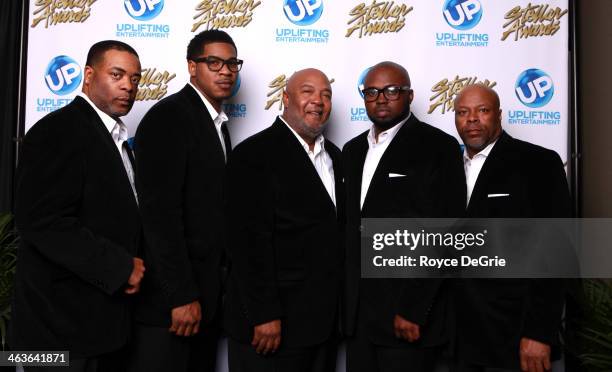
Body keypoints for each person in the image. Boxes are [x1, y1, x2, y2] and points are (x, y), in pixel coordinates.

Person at [11, 40, 144, 372]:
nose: (129, 85)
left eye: (135, 78)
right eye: (117, 74)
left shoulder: (113, 137)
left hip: (96, 326)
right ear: (88, 75)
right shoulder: (58, 130)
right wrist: (120, 265)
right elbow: (42, 221)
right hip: (54, 333)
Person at [342, 61, 465, 372]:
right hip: (357, 318)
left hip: (407, 317)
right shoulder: (352, 150)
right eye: (372, 92)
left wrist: (414, 309)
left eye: (391, 90)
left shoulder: (439, 147)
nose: (381, 98)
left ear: (409, 95)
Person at [128, 30, 240, 372]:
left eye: (232, 63)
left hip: (204, 300)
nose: (225, 71)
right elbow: (159, 216)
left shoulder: (215, 122)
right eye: (214, 63)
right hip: (172, 306)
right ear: (192, 67)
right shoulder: (171, 117)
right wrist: (180, 295)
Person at [223, 68, 343, 372]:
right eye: (308, 92)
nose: (318, 101)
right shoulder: (254, 154)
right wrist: (263, 315)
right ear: (286, 98)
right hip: (272, 327)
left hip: (323, 326)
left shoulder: (338, 158)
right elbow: (247, 243)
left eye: (326, 95)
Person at [451, 84, 571, 372]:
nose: (472, 119)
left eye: (483, 110)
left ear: (499, 115)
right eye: (463, 112)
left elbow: (556, 252)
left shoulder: (538, 162)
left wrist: (540, 333)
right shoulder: (448, 166)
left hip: (516, 337)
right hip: (459, 339)